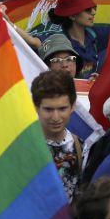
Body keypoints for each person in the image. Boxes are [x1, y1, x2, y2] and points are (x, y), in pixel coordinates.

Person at [30, 70, 82, 203]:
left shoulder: (82, 148)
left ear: (72, 106)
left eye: (62, 109)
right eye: (48, 109)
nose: (56, 117)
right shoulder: (22, 146)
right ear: (36, 107)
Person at [45, 0, 109, 78]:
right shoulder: (59, 42)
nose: (94, 13)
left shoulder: (94, 32)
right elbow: (34, 42)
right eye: (88, 9)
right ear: (72, 16)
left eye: (94, 8)